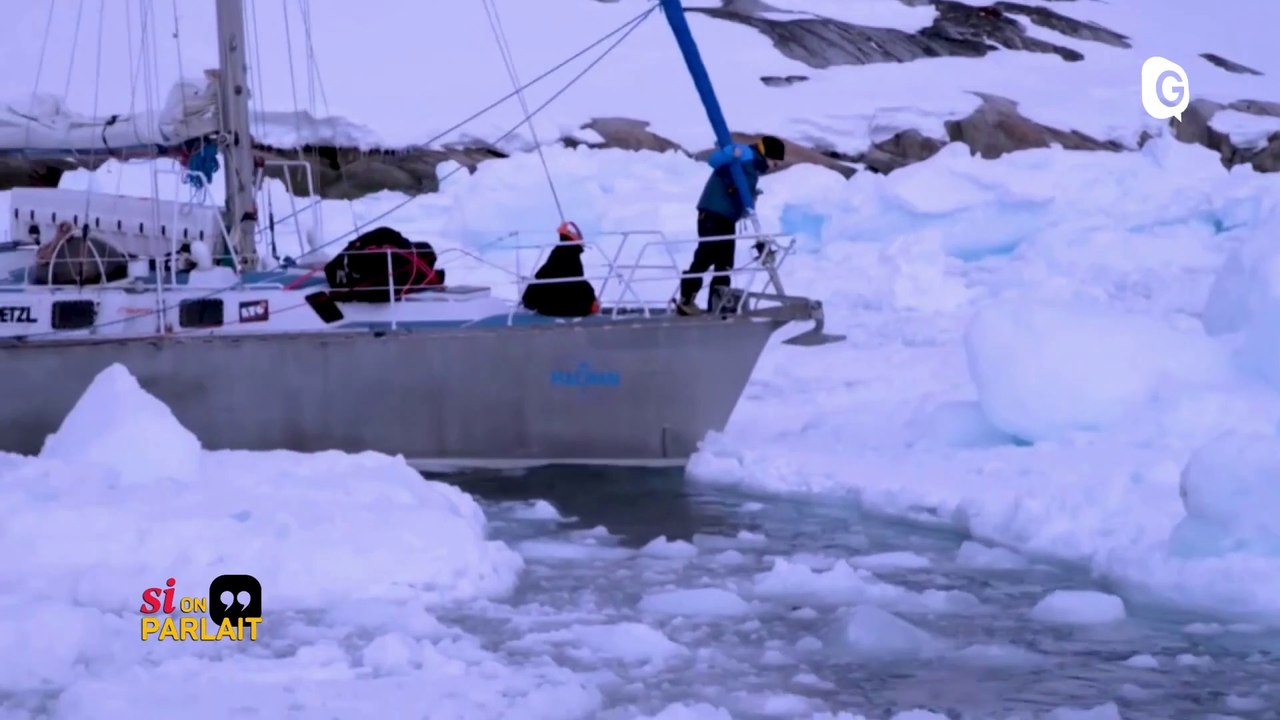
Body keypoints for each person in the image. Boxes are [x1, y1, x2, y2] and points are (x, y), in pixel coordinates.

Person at [676, 135, 786, 316]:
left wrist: (750, 198)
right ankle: (686, 299)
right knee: (706, 255)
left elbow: (741, 193)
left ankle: (719, 304)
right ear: (767, 155)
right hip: (713, 213)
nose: (774, 167)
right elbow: (715, 161)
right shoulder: (745, 154)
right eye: (775, 163)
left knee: (724, 262)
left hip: (726, 217)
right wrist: (730, 154)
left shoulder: (752, 166)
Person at [521, 221, 601, 318]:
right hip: (571, 310)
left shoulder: (555, 258)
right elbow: (578, 283)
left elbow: (534, 288)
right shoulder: (572, 259)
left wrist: (529, 302)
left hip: (547, 309)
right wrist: (592, 303)